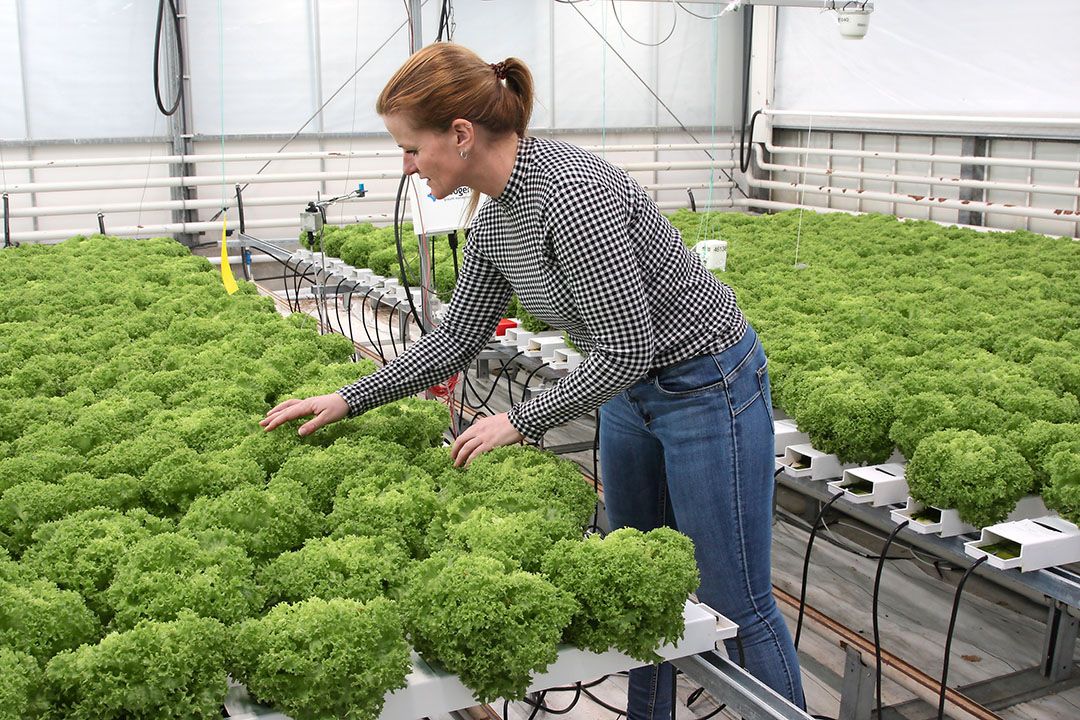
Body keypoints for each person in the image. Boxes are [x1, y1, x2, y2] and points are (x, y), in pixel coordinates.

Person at [260, 42, 805, 717]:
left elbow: (628, 346)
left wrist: (520, 419)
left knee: (735, 599)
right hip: (633, 391)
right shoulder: (495, 219)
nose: (404, 166)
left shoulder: (571, 198)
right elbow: (456, 341)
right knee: (635, 584)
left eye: (409, 147)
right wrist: (347, 398)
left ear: (460, 136)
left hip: (707, 383)